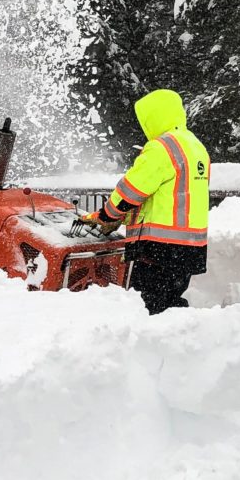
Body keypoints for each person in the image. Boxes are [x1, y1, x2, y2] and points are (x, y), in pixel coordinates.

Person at [85, 88, 211, 314]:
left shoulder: (163, 147)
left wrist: (108, 216)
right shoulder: (195, 146)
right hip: (190, 247)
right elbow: (172, 197)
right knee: (171, 302)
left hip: (160, 249)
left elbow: (133, 189)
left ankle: (156, 347)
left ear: (154, 117)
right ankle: (182, 342)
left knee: (147, 308)